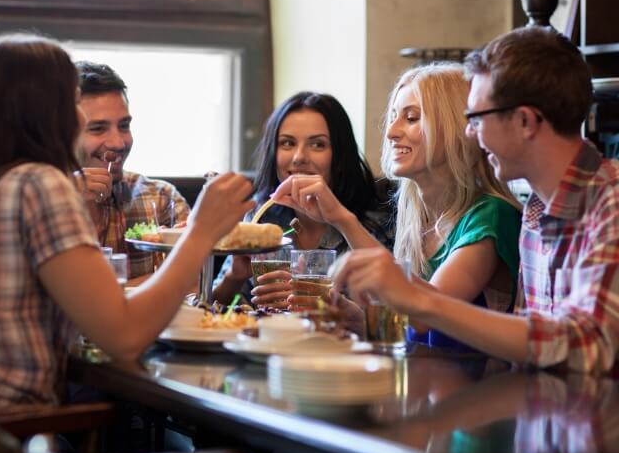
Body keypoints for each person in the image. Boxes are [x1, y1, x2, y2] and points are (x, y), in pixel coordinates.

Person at [0, 37, 253, 453]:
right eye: (70, 100)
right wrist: (201, 233)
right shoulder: (38, 186)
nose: (78, 116)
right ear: (43, 112)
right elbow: (123, 338)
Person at [335, 26, 619, 373]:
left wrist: (422, 301)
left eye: (476, 118)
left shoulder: (611, 201)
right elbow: (524, 359)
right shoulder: (537, 209)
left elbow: (588, 345)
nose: (469, 132)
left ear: (525, 121)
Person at [273, 64, 522, 345]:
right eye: (393, 117)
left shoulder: (490, 216)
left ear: (456, 128)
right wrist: (358, 321)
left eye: (411, 118)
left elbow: (426, 314)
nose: (391, 131)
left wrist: (341, 219)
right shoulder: (417, 218)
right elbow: (410, 332)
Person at [212, 91, 394, 308]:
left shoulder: (379, 218)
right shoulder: (261, 216)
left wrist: (341, 219)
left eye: (318, 145)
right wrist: (234, 277)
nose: (299, 157)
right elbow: (211, 310)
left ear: (340, 155)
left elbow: (395, 305)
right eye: (287, 143)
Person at [75, 61, 190, 281]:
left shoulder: (161, 198)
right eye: (98, 129)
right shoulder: (38, 203)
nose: (118, 143)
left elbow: (192, 284)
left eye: (124, 126)